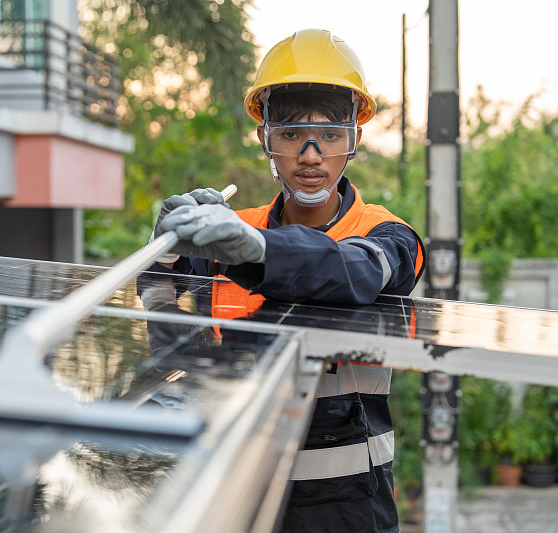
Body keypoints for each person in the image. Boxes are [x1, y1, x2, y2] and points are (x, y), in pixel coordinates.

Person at [148, 29, 426, 533]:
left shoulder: (388, 235)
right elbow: (156, 310)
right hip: (237, 485)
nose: (311, 155)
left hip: (348, 503)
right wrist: (167, 241)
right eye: (293, 134)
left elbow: (355, 271)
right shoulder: (232, 229)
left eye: (331, 135)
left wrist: (256, 252)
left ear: (355, 139)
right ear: (265, 139)